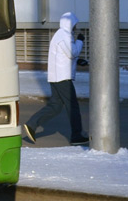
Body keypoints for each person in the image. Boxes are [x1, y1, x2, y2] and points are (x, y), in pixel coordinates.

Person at [24, 12, 88, 145]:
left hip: (57, 77)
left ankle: (32, 124)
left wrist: (79, 60)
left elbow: (65, 56)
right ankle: (76, 135)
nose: (76, 27)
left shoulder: (62, 35)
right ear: (70, 24)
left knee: (56, 106)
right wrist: (80, 40)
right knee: (73, 107)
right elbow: (73, 52)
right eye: (75, 24)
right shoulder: (64, 35)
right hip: (62, 77)